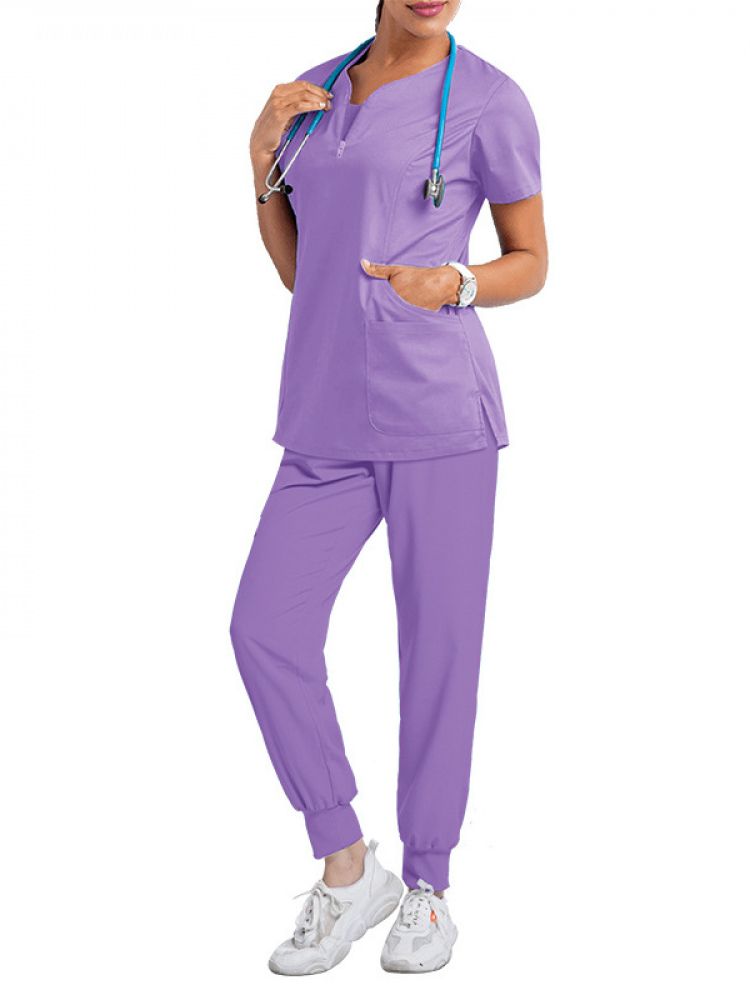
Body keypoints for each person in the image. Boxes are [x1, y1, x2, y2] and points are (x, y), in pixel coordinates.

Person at [230, 0, 547, 976]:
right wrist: (260, 159)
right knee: (264, 629)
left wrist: (455, 282)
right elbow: (304, 272)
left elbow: (533, 263)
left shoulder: (489, 100)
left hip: (438, 415)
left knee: (437, 652)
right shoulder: (315, 93)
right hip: (325, 416)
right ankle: (346, 862)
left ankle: (429, 885)